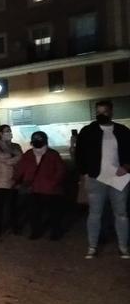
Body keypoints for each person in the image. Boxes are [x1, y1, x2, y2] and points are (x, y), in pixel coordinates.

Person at [76, 100, 130, 259]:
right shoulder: (87, 131)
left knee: (121, 214)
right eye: (98, 112)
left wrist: (126, 167)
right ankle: (92, 246)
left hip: (119, 177)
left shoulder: (122, 131)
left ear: (111, 112)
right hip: (96, 177)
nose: (100, 115)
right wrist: (85, 173)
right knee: (94, 214)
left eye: (104, 112)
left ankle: (123, 247)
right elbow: (80, 153)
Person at [14, 131, 66, 241]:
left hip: (50, 189)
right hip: (34, 188)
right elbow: (21, 169)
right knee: (34, 213)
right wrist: (17, 181)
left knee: (53, 213)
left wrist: (53, 182)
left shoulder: (52, 154)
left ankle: (54, 233)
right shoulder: (29, 154)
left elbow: (60, 171)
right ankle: (36, 231)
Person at [0, 124, 23, 238]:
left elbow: (20, 157)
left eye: (10, 131)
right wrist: (11, 156)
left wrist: (8, 158)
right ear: (0, 133)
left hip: (13, 181)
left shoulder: (16, 146)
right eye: (7, 131)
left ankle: (14, 227)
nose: (9, 133)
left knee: (13, 207)